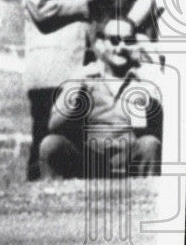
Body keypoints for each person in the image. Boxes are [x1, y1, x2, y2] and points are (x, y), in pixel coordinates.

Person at [15, 0, 118, 181]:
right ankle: (32, 209)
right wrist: (86, 3)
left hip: (86, 70)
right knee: (45, 144)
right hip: (51, 70)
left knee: (79, 147)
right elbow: (42, 9)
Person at [39, 18, 162, 179]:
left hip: (126, 155)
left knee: (150, 144)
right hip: (88, 155)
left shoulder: (143, 79)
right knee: (51, 144)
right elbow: (53, 125)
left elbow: (162, 128)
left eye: (128, 41)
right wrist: (76, 94)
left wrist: (151, 98)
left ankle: (145, 195)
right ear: (101, 43)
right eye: (114, 40)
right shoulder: (84, 75)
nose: (121, 47)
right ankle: (51, 194)